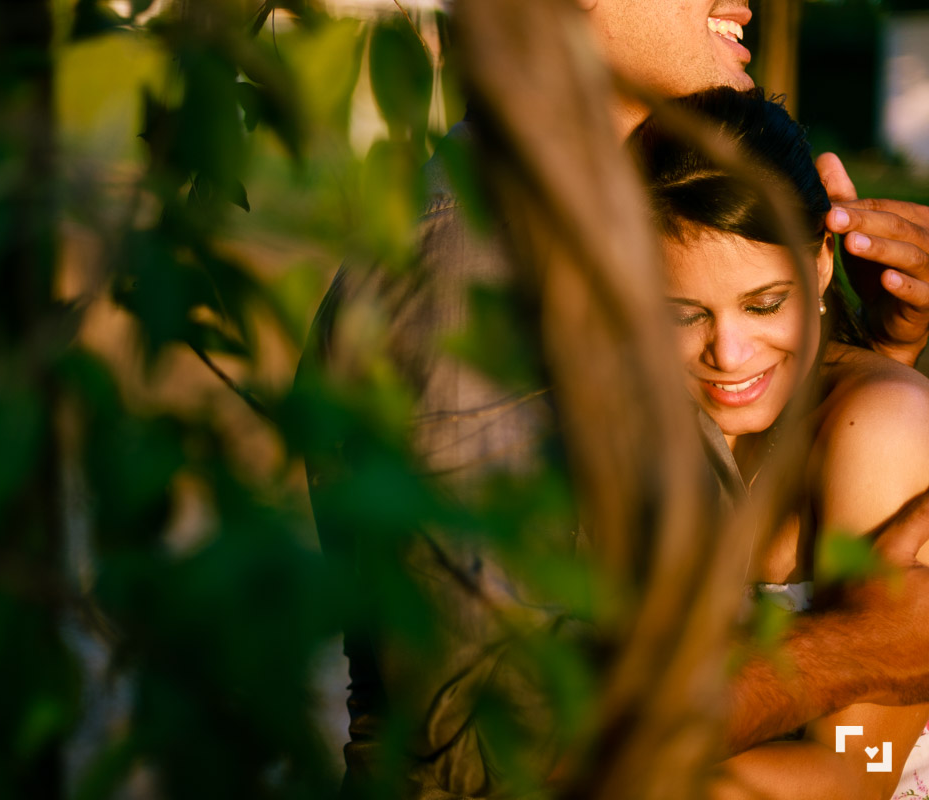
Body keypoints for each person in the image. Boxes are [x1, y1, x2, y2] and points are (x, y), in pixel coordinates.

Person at [300, 1, 929, 796]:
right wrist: (850, 653)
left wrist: (865, 375)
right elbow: (493, 758)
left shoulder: (602, 223)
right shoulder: (476, 274)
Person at [629, 86, 929, 800]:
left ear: (820, 266)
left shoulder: (877, 430)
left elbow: (862, 767)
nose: (729, 354)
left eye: (765, 304)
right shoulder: (651, 412)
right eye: (683, 314)